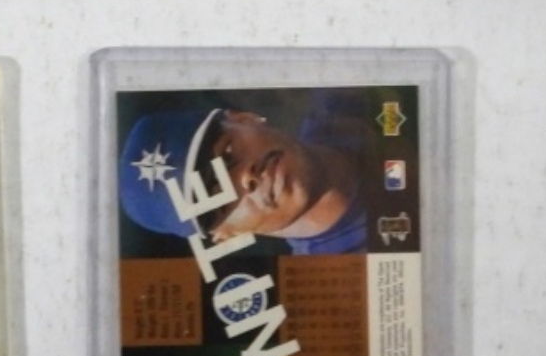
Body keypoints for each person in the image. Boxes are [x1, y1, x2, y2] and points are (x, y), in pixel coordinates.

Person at [118, 96, 378, 254]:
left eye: (228, 153)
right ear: (227, 236)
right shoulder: (346, 290)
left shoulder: (351, 88)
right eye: (220, 197)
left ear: (244, 119)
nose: (246, 178)